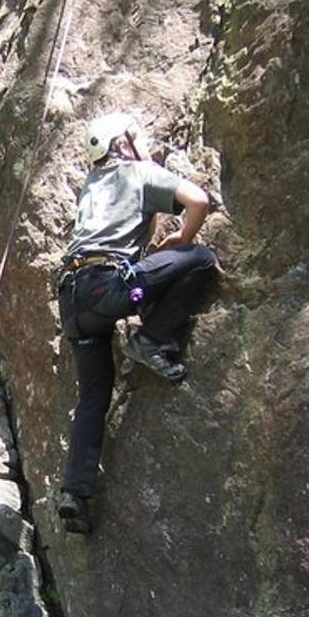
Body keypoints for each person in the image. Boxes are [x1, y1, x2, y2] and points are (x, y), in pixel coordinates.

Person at [55, 112, 218, 532]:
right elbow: (197, 201)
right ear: (123, 144)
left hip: (74, 307)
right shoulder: (139, 172)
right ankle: (151, 339)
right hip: (113, 292)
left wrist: (138, 151)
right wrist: (182, 238)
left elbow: (130, 198)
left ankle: (74, 493)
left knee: (94, 395)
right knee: (199, 261)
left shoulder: (90, 185)